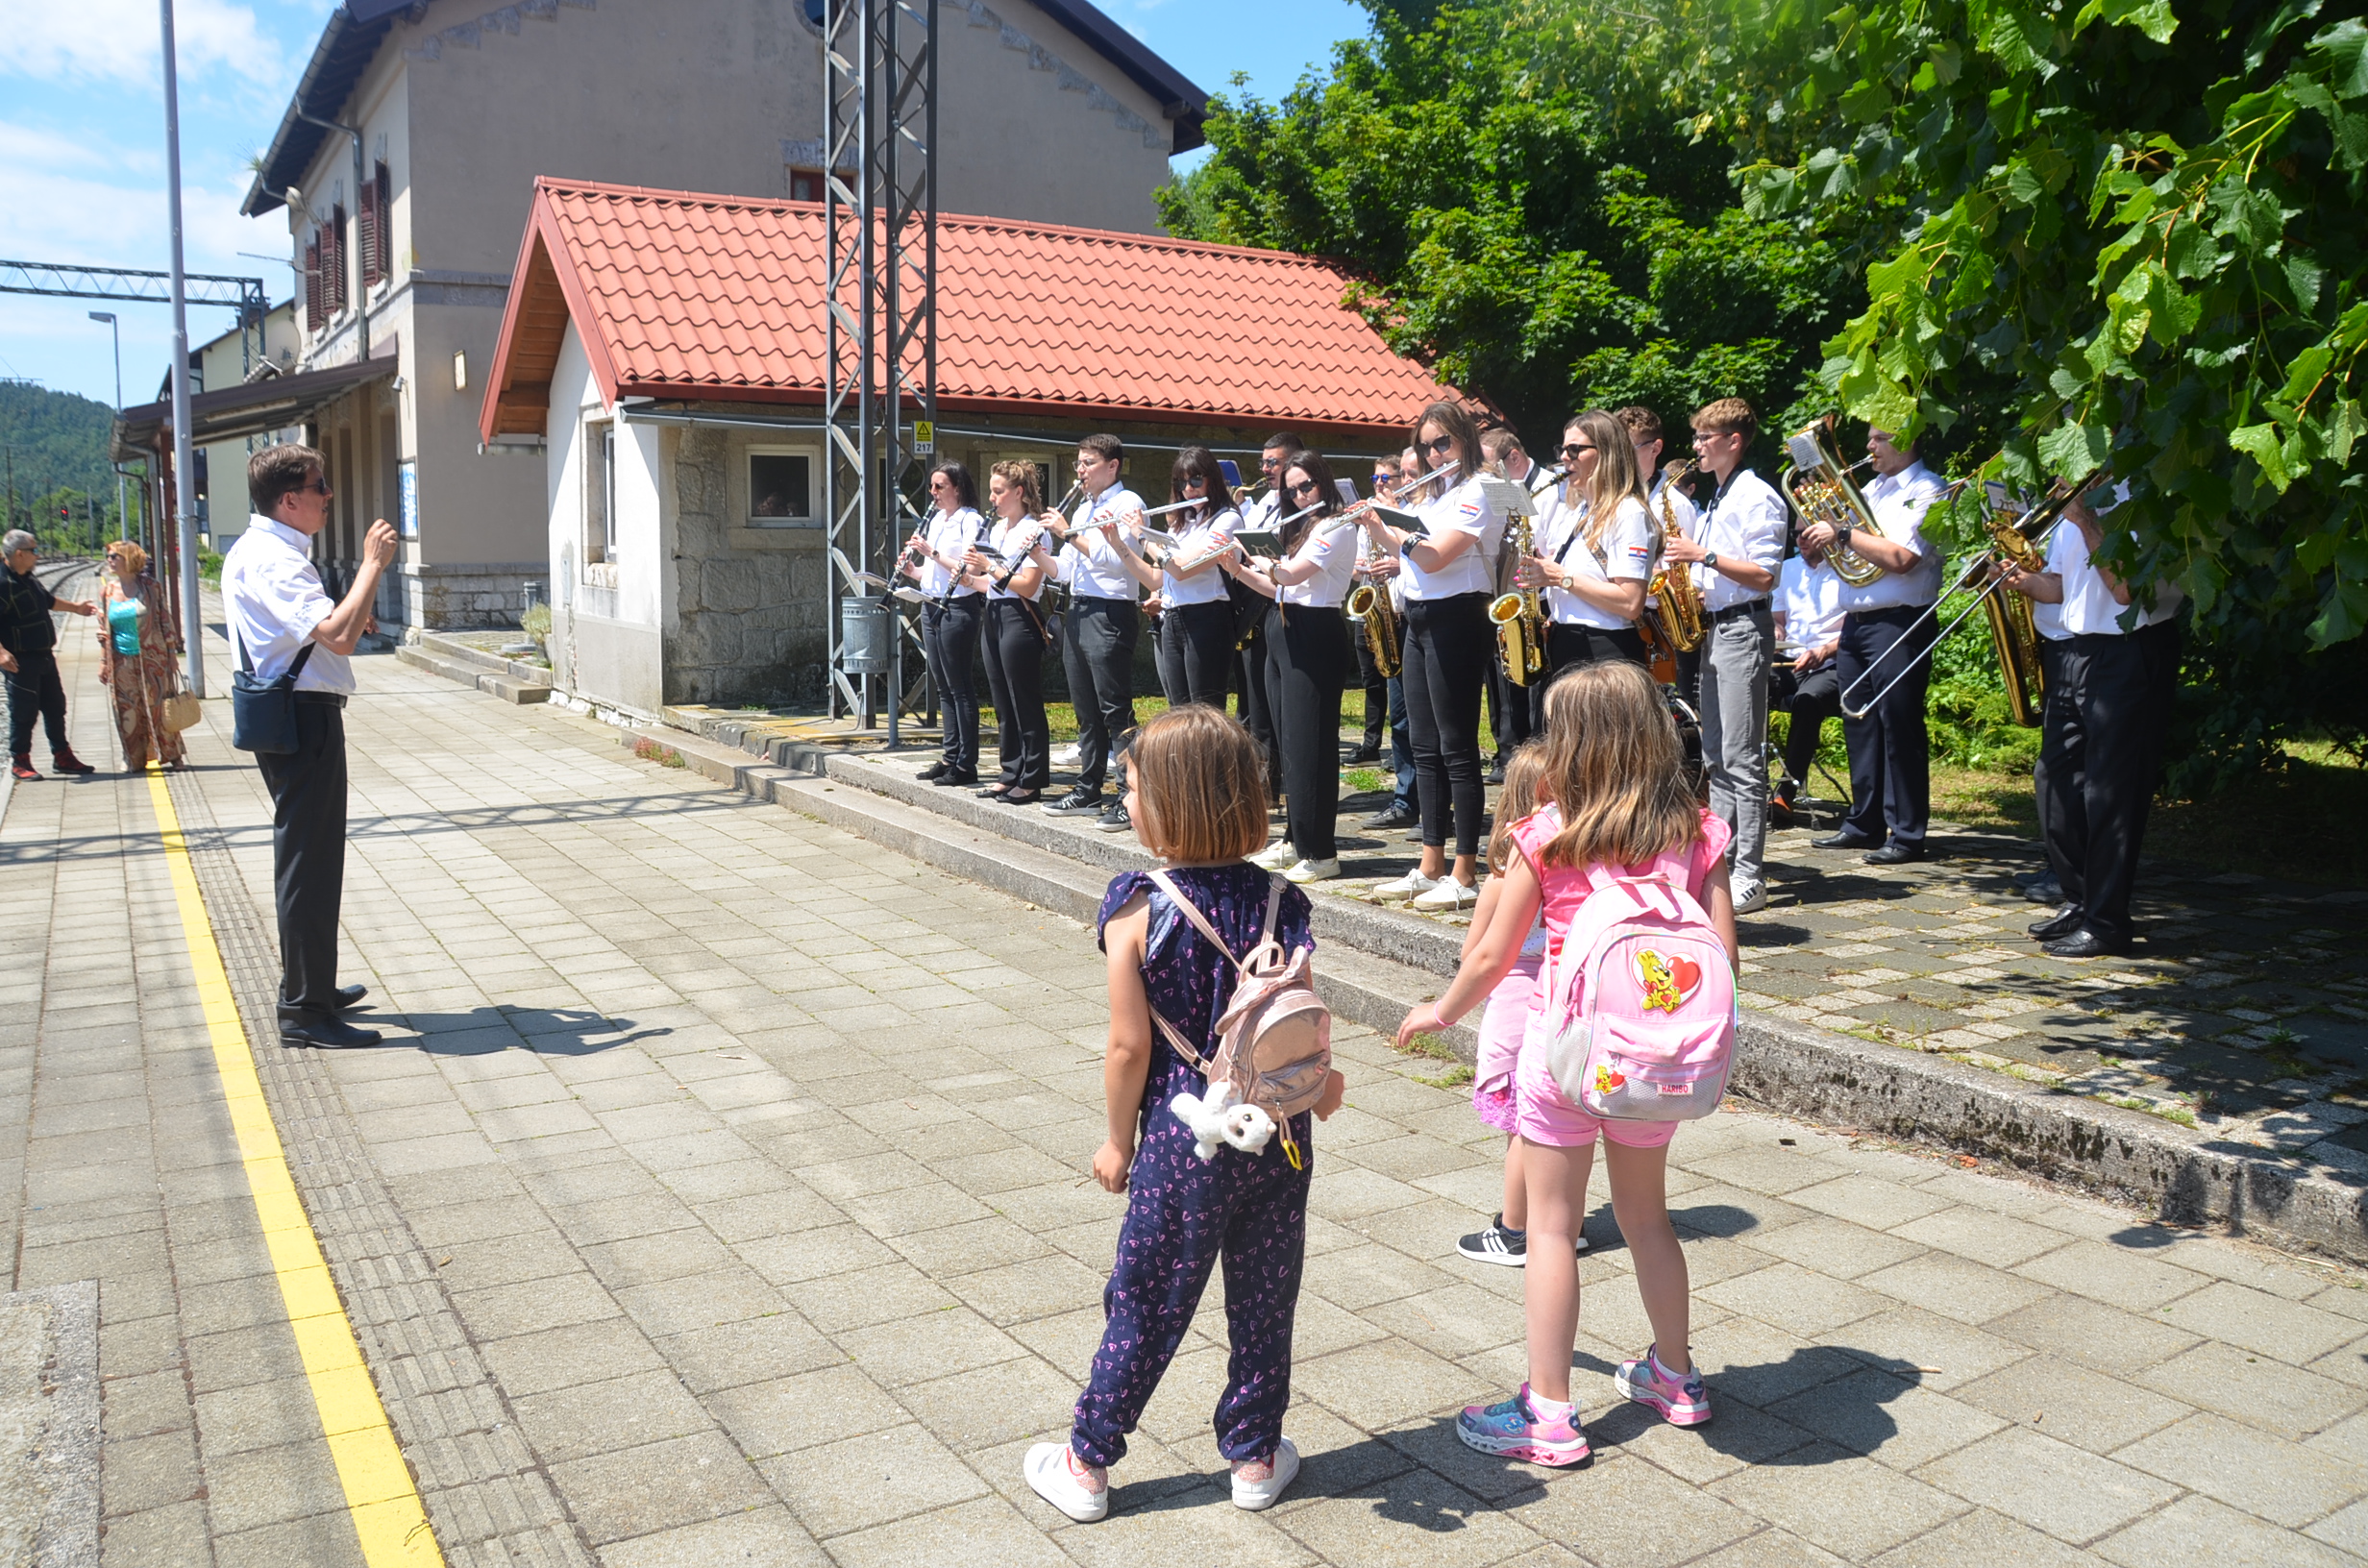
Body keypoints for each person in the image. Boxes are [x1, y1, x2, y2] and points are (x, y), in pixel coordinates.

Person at [1398, 663, 1732, 1462]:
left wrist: (1439, 1011)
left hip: (1565, 1056)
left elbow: (1494, 955)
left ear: (1571, 745)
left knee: (1550, 1228)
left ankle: (1548, 1413)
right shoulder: (1697, 829)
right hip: (1654, 1064)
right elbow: (1722, 953)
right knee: (1647, 1220)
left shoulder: (1547, 834)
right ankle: (1677, 1379)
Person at [1024, 704, 1346, 1524]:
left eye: (1131, 786)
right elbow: (1298, 1017)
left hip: (1181, 1137)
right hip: (1279, 1129)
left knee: (1149, 1297)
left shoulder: (1136, 906)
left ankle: (1089, 1460)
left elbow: (1129, 1048)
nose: (1123, 798)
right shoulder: (1285, 901)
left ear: (1173, 800)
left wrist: (1114, 1139)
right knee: (1267, 1296)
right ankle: (1254, 1455)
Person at [222, 445, 398, 1049]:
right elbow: (339, 638)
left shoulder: (264, 551)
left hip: (293, 712)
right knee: (309, 864)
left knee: (313, 860)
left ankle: (312, 987)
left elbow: (325, 629)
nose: (328, 496)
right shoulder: (276, 560)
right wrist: (372, 566)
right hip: (303, 718)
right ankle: (303, 1010)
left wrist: (350, 612)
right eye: (319, 486)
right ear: (288, 499)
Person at [1998, 483, 2178, 958]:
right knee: (2053, 777)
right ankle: (2081, 900)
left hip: (2129, 650)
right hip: (2077, 649)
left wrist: (2087, 521)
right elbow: (2064, 586)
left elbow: (2125, 591)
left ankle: (2108, 923)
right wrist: (2017, 579)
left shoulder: (2147, 497)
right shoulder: (2079, 501)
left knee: (2111, 792)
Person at [1360, 403, 1504, 912]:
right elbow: (1414, 559)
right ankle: (1431, 862)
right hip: (1419, 616)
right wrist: (1384, 540)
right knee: (1423, 746)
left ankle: (1466, 870)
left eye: (1442, 443)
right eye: (1426, 446)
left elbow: (1436, 555)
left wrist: (1385, 532)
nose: (1434, 453)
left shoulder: (1479, 489)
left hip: (1459, 617)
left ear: (1464, 439)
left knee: (1457, 747)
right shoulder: (1431, 492)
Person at [1452, 744, 1590, 1267]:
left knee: (1525, 1129)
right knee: (1560, 1128)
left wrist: (1444, 1009)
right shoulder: (1575, 868)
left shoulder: (1507, 874)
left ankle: (1514, 1230)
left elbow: (1476, 954)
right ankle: (1563, 1224)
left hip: (1517, 1011)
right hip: (1564, 1006)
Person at [1660, 399, 1783, 914]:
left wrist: (1701, 555)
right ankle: (1723, 861)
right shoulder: (1718, 497)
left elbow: (1764, 575)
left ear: (1734, 440)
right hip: (1716, 630)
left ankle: (1749, 872)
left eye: (1705, 438)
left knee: (1741, 754)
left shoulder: (1759, 498)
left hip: (1743, 629)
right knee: (1714, 755)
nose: (1697, 447)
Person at [1806, 428, 1949, 864]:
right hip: (1858, 623)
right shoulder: (1868, 489)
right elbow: (1840, 552)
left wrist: (1842, 532)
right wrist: (1817, 539)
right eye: (1870, 438)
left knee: (1899, 725)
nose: (1869, 447)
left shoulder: (1929, 489)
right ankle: (1864, 823)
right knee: (1860, 724)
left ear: (1909, 440)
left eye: (1880, 439)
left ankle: (1906, 833)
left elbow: (1904, 559)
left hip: (1899, 620)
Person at [1224, 451, 1359, 884]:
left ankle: (1321, 851)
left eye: (1307, 486)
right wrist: (1237, 569)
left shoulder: (1335, 524)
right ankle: (1296, 839)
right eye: (1292, 489)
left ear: (1324, 482)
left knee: (1312, 745)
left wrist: (1262, 557)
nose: (1300, 495)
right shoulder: (1298, 526)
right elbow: (1273, 585)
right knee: (1287, 741)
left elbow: (1292, 575)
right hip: (1281, 627)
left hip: (1315, 633)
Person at [1041, 436, 1147, 831]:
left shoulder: (1128, 504)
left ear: (1112, 466)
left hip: (1110, 611)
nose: (1080, 471)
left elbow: (1115, 562)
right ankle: (1088, 789)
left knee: (1115, 709)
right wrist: (1039, 555)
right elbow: (1066, 571)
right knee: (1085, 710)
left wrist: (1068, 532)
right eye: (1078, 463)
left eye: (1088, 463)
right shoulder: (1086, 507)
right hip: (1079, 610)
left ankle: (1129, 796)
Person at [1517, 409, 1654, 674]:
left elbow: (1631, 603)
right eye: (1563, 449)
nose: (1564, 457)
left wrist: (1560, 577)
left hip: (1606, 654)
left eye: (1575, 449)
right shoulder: (1577, 511)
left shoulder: (1629, 513)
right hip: (1567, 642)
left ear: (1605, 453)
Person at [1116, 446, 1239, 712]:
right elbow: (1155, 579)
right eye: (1182, 483)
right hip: (1172, 620)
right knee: (1179, 711)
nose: (1189, 489)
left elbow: (1182, 568)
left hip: (1207, 619)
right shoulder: (1181, 525)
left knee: (1204, 712)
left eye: (1196, 480)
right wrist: (1116, 542)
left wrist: (1142, 535)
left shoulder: (1227, 520)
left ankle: (1212, 756)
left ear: (1212, 480)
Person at [964, 461, 1054, 806]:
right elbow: (995, 584)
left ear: (1018, 492)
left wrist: (990, 567)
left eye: (999, 491)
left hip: (1020, 617)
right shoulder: (998, 529)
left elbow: (1028, 587)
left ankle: (1032, 779)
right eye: (991, 490)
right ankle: (1010, 770)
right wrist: (972, 578)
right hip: (996, 612)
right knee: (1002, 699)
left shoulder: (1033, 530)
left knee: (1024, 699)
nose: (992, 498)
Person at [902, 461, 990, 788]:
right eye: (931, 486)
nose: (933, 493)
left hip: (959, 607)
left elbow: (971, 570)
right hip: (932, 604)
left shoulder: (972, 520)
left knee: (960, 687)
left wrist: (934, 551)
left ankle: (967, 765)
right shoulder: (938, 519)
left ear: (957, 487)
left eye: (940, 487)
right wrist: (913, 570)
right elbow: (934, 571)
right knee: (943, 686)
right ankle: (950, 757)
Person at [1619, 405, 1703, 704]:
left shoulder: (1675, 503)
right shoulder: (1623, 495)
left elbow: (1685, 572)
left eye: (1628, 448)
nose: (1619, 457)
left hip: (1664, 621)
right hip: (1632, 617)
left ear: (1655, 448)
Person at [1, 529, 100, 781]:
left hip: (43, 655)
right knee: (24, 712)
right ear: (19, 553)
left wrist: (76, 609)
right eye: (34, 550)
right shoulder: (3, 583)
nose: (38, 554)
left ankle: (62, 756)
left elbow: (47, 601)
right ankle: (19, 760)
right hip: (20, 660)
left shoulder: (26, 577)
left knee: (56, 706)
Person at [1233, 432, 1299, 798]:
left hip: (1279, 604)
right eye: (1264, 462)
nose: (1265, 469)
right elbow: (1244, 538)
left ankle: (1277, 782)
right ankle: (1264, 782)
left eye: (1273, 462)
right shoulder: (1262, 505)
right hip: (1253, 604)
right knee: (1253, 703)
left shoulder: (1296, 507)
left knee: (1275, 706)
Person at [1359, 453, 1422, 834]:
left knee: (1419, 720)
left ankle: (1424, 801)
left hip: (1410, 618)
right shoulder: (1374, 520)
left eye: (1389, 477)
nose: (1381, 483)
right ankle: (1405, 798)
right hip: (1386, 616)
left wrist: (1400, 563)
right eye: (1376, 477)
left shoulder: (1414, 514)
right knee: (1399, 718)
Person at [1479, 429, 1543, 766]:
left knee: (1534, 687)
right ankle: (1507, 750)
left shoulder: (1548, 486)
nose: (1485, 475)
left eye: (1490, 466)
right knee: (1502, 679)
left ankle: (1534, 752)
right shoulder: (1498, 490)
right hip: (1508, 593)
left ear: (1513, 458)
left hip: (1540, 597)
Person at [1771, 533, 1846, 821]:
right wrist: (1777, 633)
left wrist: (1825, 650)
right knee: (1751, 687)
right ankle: (1746, 784)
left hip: (1832, 663)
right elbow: (1779, 621)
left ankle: (1785, 793)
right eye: (1797, 533)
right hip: (1791, 659)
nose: (1802, 540)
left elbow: (1857, 627)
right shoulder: (1788, 568)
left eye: (1808, 534)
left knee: (1807, 700)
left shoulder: (1846, 569)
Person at [94, 541, 186, 772]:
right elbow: (104, 630)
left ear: (129, 559)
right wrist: (103, 661)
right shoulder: (107, 591)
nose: (110, 560)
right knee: (127, 709)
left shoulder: (150, 587)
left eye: (115, 556)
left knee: (159, 707)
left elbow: (164, 618)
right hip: (121, 661)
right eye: (109, 556)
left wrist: (172, 652)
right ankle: (133, 757)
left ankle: (173, 755)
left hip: (153, 657)